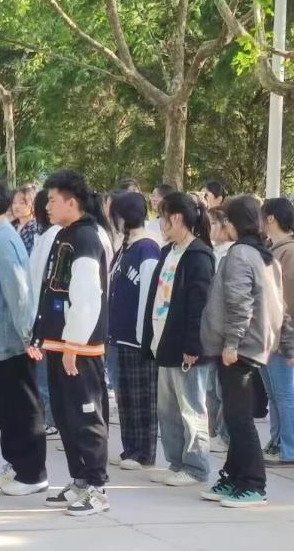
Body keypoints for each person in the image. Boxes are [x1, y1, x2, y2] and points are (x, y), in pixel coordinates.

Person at [200, 194, 294, 506]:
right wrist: (287, 346)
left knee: (239, 420)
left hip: (239, 349)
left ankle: (253, 484)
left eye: (224, 220)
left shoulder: (241, 254)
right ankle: (233, 476)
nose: (221, 225)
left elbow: (240, 303)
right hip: (250, 346)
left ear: (235, 222)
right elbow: (281, 308)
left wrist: (231, 343)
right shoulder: (263, 254)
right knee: (235, 417)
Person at [30, 169, 110, 516]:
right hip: (58, 342)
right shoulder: (65, 234)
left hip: (79, 347)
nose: (46, 206)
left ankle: (96, 487)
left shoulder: (86, 237)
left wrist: (74, 345)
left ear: (71, 202)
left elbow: (88, 296)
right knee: (65, 416)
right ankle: (80, 479)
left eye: (52, 200)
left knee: (86, 415)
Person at [0, 178, 47, 497]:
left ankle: (32, 473)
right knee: (5, 406)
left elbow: (20, 294)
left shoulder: (4, 241)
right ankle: (16, 465)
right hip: (3, 341)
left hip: (16, 342)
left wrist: (29, 338)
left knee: (21, 408)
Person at [142, 191, 215, 487]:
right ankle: (176, 462)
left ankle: (196, 467)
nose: (160, 223)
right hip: (164, 341)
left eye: (162, 217)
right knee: (168, 409)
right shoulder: (167, 252)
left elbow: (200, 306)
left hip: (187, 347)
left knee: (191, 409)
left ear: (176, 218)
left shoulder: (199, 256)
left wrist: (192, 345)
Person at [106, 192, 161, 469]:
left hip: (138, 338)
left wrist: (144, 337)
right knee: (125, 396)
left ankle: (144, 452)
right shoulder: (125, 247)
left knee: (142, 398)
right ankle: (130, 448)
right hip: (120, 335)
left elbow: (148, 296)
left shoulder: (147, 247)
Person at [261, 197, 294, 466]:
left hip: (282, 335)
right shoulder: (273, 249)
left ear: (271, 218)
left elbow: (287, 299)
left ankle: (289, 448)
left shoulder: (288, 251)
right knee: (274, 394)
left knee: (284, 393)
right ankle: (278, 442)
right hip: (267, 334)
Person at [28, 188, 59, 440]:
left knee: (44, 372)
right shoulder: (48, 235)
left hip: (43, 313)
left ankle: (50, 419)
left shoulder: (52, 236)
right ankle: (48, 417)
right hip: (43, 311)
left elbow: (38, 278)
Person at [207, 206, 235, 453]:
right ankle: (212, 431)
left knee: (222, 387)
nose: (210, 228)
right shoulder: (213, 252)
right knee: (211, 387)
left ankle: (224, 435)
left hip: (225, 330)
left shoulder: (231, 254)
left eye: (213, 223)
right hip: (211, 329)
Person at [11, 186, 39, 255]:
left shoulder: (35, 229)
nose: (16, 206)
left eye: (22, 203)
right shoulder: (12, 226)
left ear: (33, 204)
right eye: (14, 202)